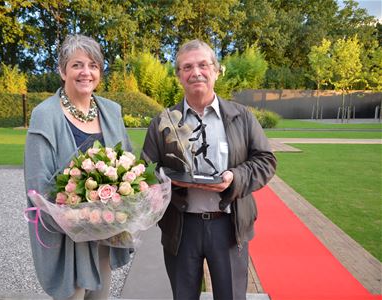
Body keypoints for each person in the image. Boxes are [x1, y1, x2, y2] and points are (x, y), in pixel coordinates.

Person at [142, 39, 277, 300]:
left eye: (203, 65)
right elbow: (145, 170)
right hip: (181, 228)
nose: (196, 72)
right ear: (179, 76)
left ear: (216, 70)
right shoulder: (162, 122)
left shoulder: (242, 116)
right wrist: (169, 179)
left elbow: (265, 161)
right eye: (187, 67)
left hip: (228, 226)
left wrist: (234, 178)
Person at [24, 34, 132, 300]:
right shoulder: (45, 114)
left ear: (100, 73)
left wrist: (129, 203)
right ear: (62, 71)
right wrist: (74, 220)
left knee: (100, 296)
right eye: (77, 65)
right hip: (68, 236)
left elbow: (128, 162)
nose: (86, 72)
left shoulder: (111, 110)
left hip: (106, 231)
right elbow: (38, 184)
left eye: (93, 65)